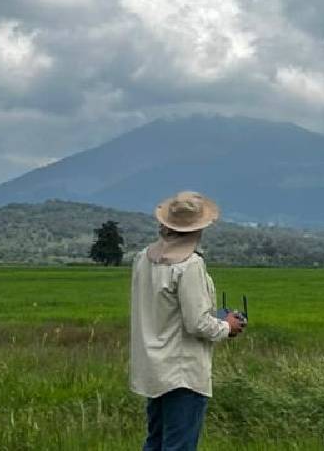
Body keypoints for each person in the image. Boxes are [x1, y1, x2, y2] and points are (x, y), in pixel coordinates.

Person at [130, 191, 246, 451]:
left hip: (154, 368)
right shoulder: (189, 265)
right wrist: (228, 326)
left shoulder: (143, 259)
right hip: (183, 371)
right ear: (199, 227)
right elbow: (197, 323)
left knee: (155, 442)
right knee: (179, 446)